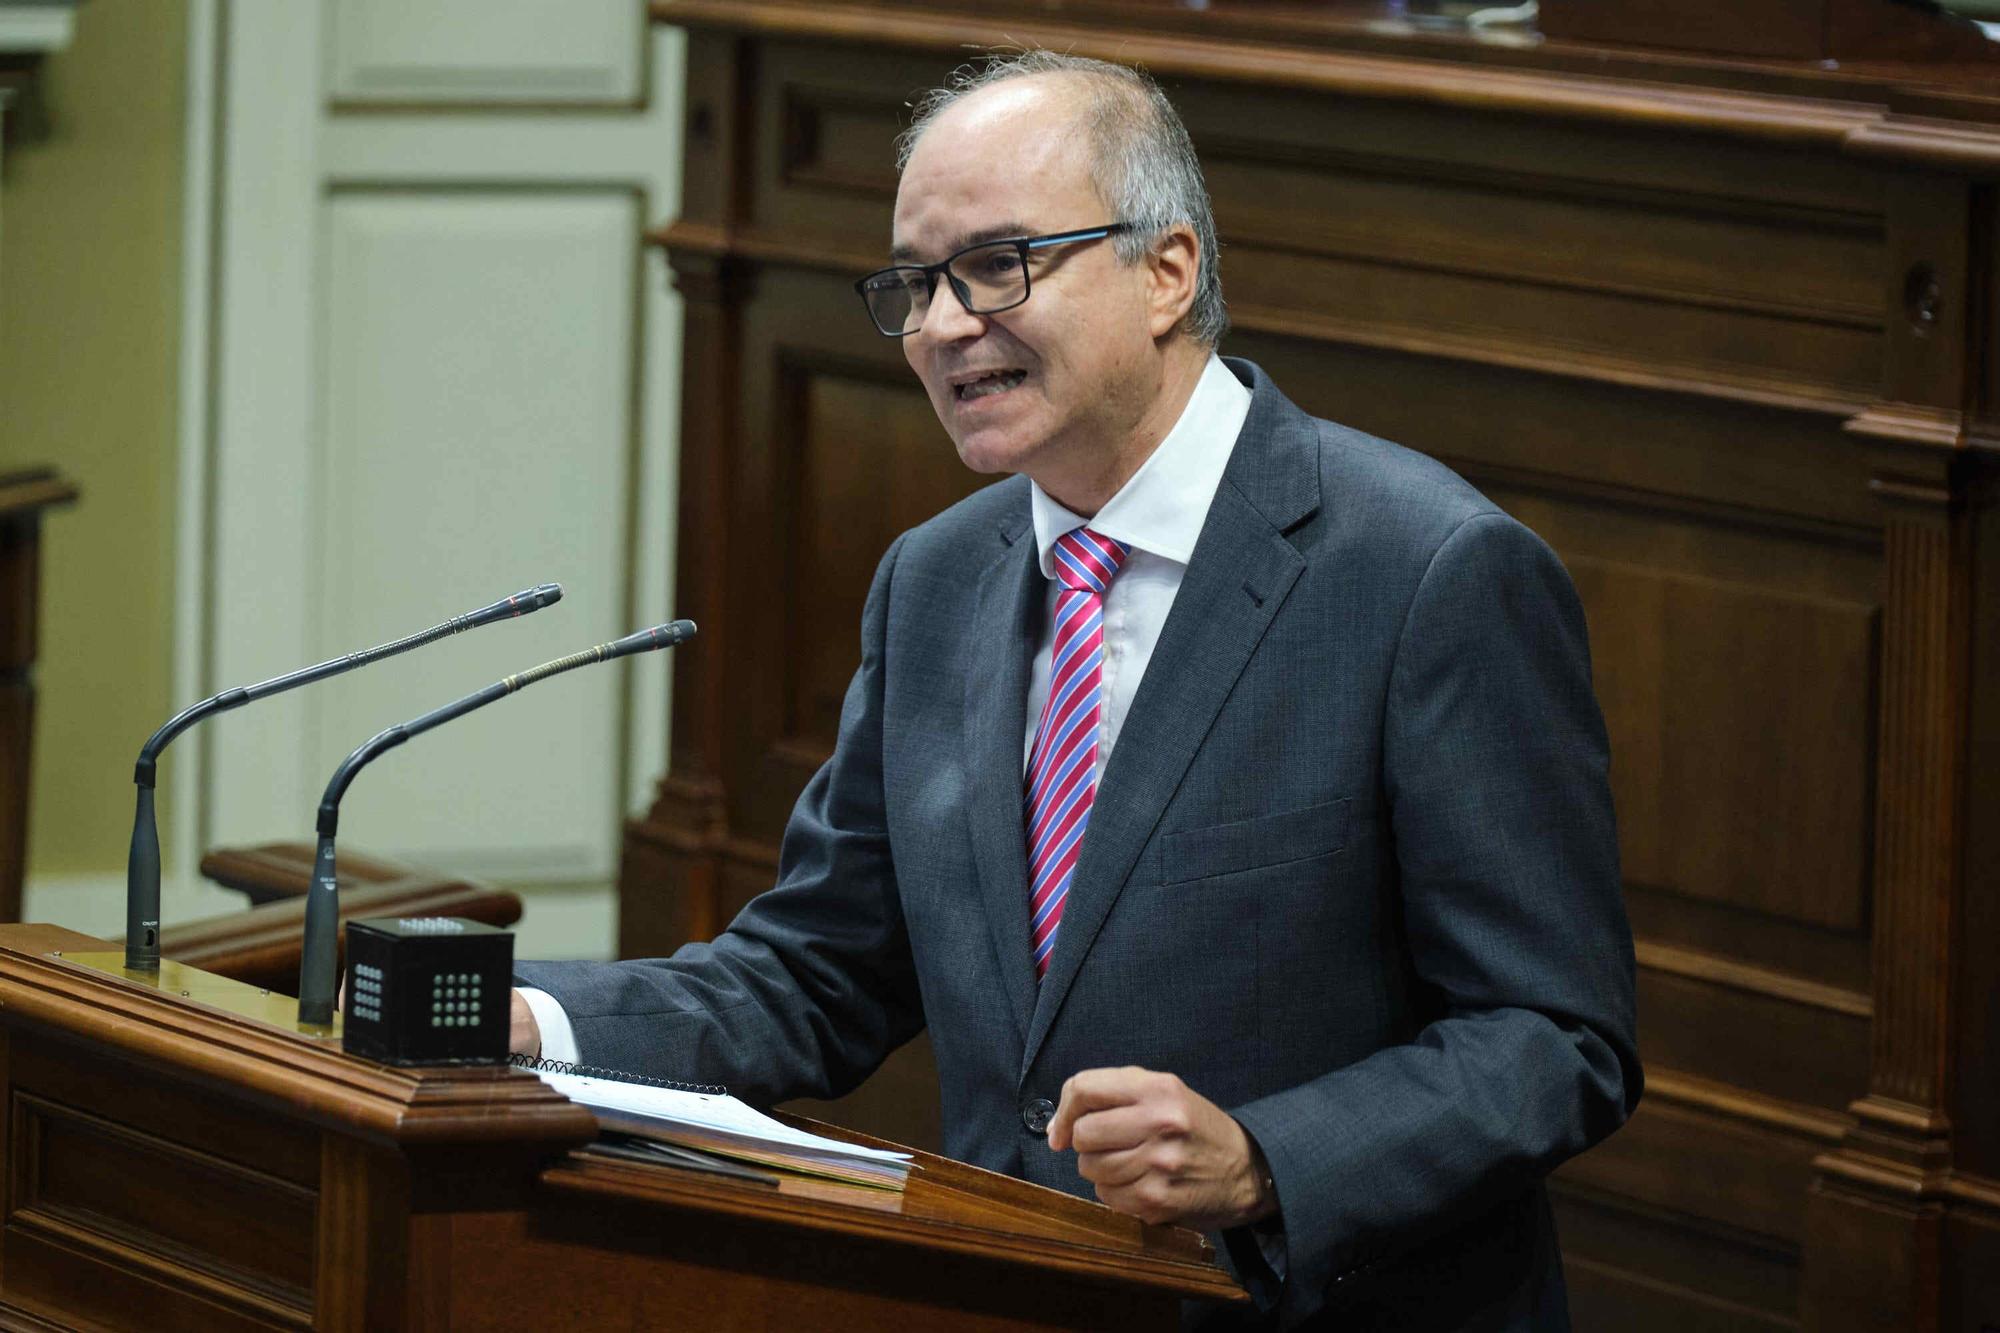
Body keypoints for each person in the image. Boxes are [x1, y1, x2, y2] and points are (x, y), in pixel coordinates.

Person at [513, 50, 1640, 1331]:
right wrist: (529, 1017)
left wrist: (1264, 1159)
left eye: (997, 267)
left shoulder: (1426, 569)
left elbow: (1555, 1038)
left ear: (1166, 271)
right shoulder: (935, 580)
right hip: (1012, 1294)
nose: (942, 326)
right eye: (916, 284)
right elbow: (818, 971)